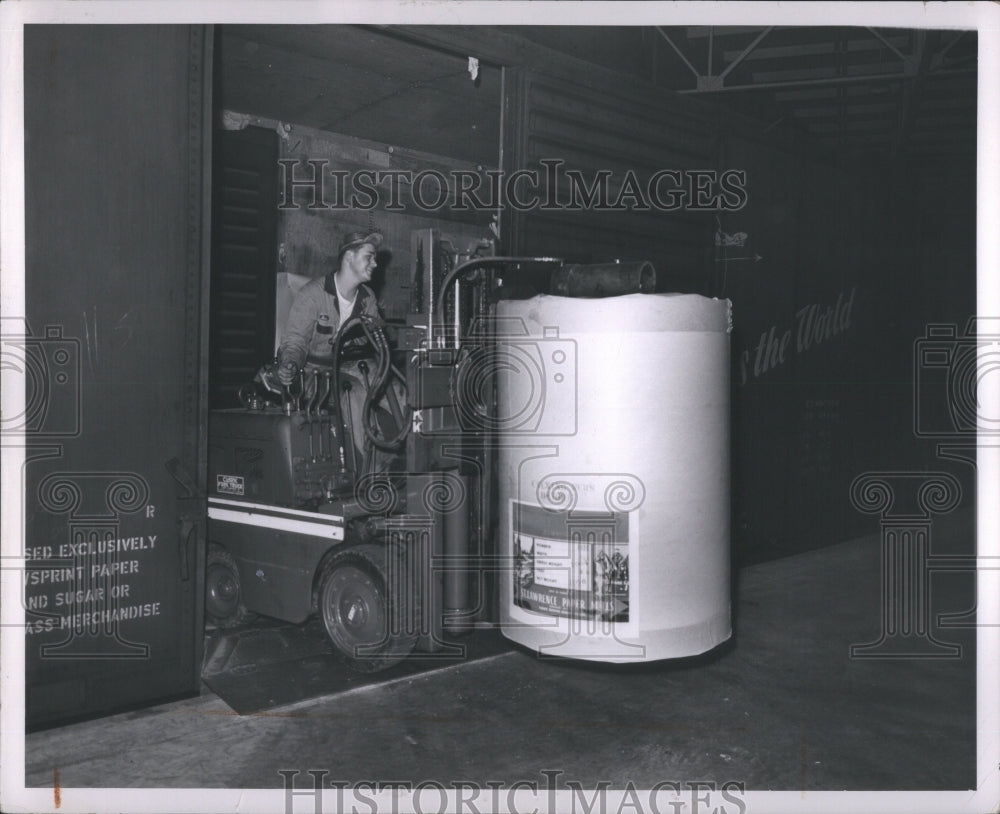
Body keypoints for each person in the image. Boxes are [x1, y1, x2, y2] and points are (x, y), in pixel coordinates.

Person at [276, 230, 383, 384]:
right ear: (349, 257)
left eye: (374, 258)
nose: (375, 263)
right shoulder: (312, 294)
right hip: (313, 371)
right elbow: (295, 340)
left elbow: (375, 339)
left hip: (349, 367)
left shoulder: (368, 297)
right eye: (369, 257)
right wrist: (290, 364)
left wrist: (354, 337)